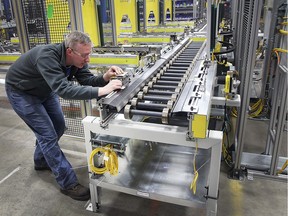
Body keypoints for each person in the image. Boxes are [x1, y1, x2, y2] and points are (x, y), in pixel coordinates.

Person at [5, 31, 123, 201]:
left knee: (59, 127)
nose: (88, 59)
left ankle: (41, 161)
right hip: (22, 92)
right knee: (47, 135)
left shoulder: (76, 61)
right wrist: (102, 91)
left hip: (45, 89)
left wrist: (105, 77)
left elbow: (87, 80)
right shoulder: (46, 56)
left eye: (89, 54)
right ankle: (68, 183)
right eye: (85, 55)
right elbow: (64, 90)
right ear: (70, 52)